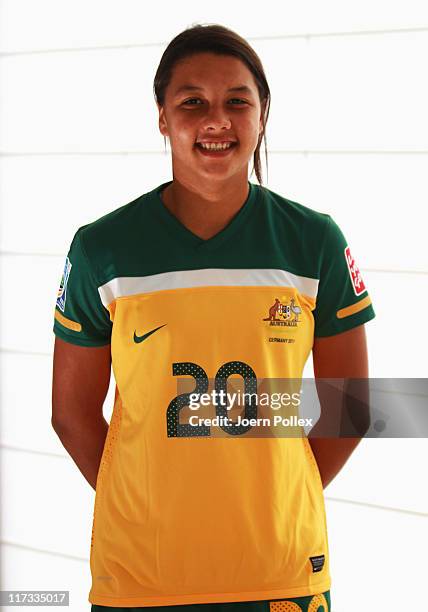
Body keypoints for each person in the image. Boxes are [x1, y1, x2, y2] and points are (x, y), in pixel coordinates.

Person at [51, 23, 375, 612]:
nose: (215, 120)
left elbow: (349, 404)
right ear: (161, 116)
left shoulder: (314, 241)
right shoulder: (102, 247)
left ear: (262, 113)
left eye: (236, 101)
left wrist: (272, 498)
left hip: (280, 573)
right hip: (143, 577)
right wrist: (148, 505)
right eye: (191, 101)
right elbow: (71, 415)